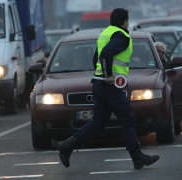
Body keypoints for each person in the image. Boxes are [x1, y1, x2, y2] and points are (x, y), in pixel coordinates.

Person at [57, 8, 159, 170]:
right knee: (127, 119)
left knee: (98, 121)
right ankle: (138, 158)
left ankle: (67, 146)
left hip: (98, 84)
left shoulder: (106, 33)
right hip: (109, 85)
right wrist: (108, 75)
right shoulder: (122, 36)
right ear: (125, 21)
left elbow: (96, 58)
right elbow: (105, 55)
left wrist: (101, 75)